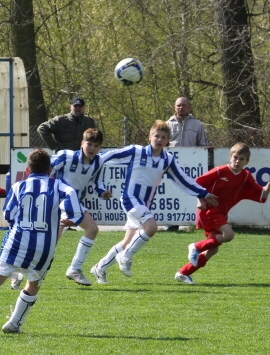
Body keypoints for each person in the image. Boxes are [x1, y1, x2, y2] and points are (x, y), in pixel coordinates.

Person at [0, 148, 96, 334]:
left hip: (17, 240)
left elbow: (8, 214)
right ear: (50, 170)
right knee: (34, 283)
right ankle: (14, 323)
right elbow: (75, 212)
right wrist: (67, 220)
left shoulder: (18, 186)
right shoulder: (61, 187)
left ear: (27, 170)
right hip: (43, 247)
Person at [90, 120, 218, 284]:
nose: (159, 139)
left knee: (128, 240)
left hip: (144, 204)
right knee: (151, 227)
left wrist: (203, 193)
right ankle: (126, 256)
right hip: (131, 199)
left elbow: (183, 179)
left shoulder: (167, 159)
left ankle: (100, 268)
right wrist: (87, 162)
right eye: (156, 136)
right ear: (150, 136)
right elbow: (106, 156)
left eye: (163, 137)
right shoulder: (136, 151)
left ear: (167, 141)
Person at [175, 144, 270, 284]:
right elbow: (197, 184)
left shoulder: (245, 176)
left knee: (213, 250)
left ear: (246, 162)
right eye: (235, 157)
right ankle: (195, 247)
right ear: (230, 157)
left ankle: (183, 273)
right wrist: (199, 200)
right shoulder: (220, 171)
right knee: (229, 235)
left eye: (241, 159)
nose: (237, 161)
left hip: (221, 214)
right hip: (209, 210)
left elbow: (262, 195)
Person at [52, 128, 113, 286]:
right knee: (50, 242)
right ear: (82, 143)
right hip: (58, 200)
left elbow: (97, 182)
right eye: (89, 144)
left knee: (91, 229)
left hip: (74, 202)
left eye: (96, 145)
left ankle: (75, 268)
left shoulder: (98, 162)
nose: (92, 148)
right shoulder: (67, 156)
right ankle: (20, 269)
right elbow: (46, 170)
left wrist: (103, 192)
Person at [165, 97, 208, 231]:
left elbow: (203, 146)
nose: (181, 108)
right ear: (174, 107)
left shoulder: (197, 125)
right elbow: (163, 146)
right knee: (173, 193)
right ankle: (172, 223)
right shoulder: (167, 125)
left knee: (192, 192)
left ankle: (196, 222)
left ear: (188, 107)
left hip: (192, 166)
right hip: (172, 166)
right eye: (178, 105)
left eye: (183, 105)